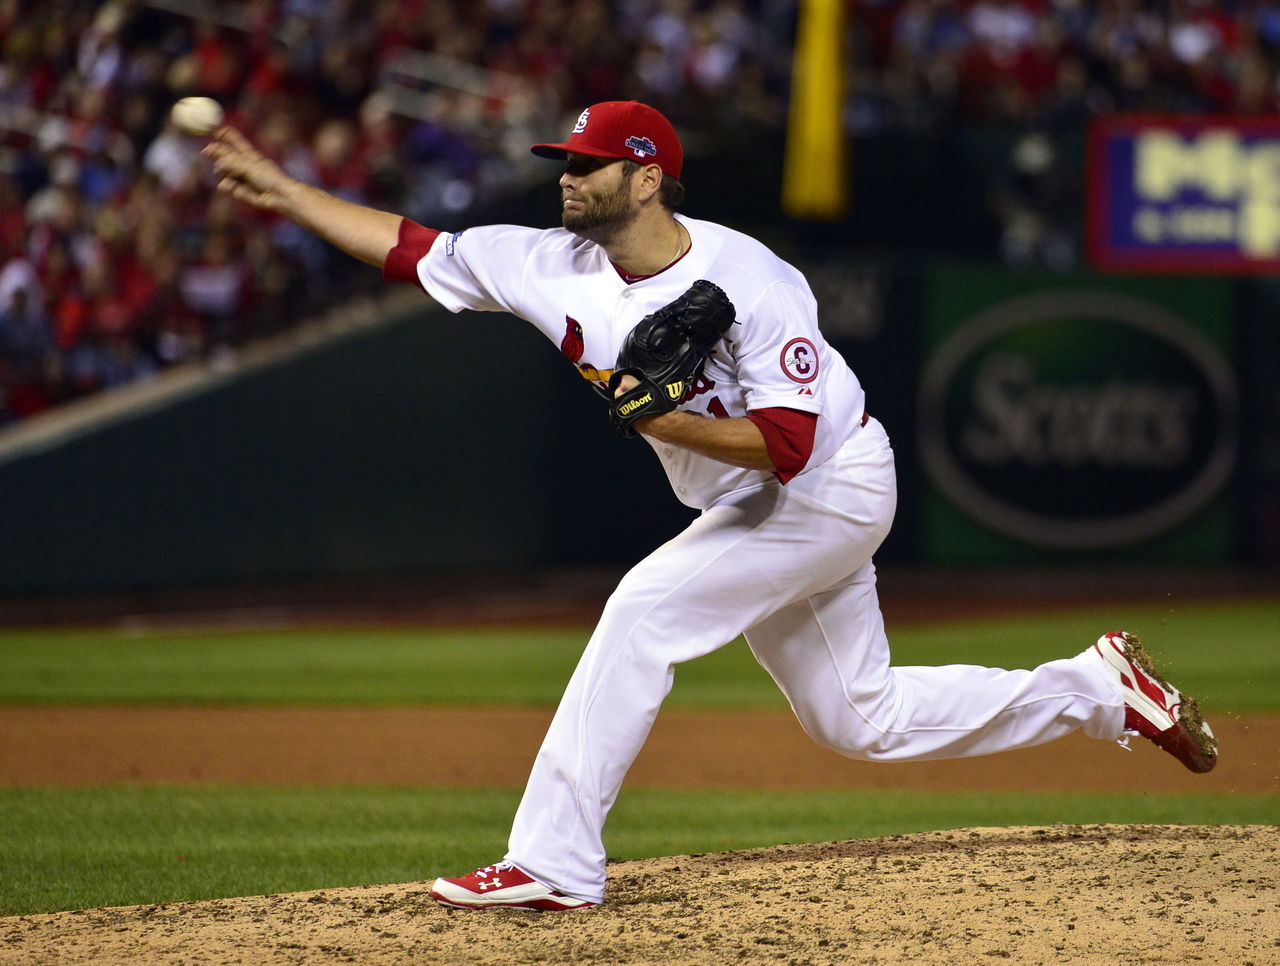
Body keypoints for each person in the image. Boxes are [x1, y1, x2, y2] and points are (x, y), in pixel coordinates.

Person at [202, 100, 1218, 912]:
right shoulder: (543, 262)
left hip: (827, 486)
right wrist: (286, 191)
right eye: (565, 159)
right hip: (753, 504)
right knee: (859, 720)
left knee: (643, 611)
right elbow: (410, 247)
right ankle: (1094, 689)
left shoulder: (747, 276)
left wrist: (658, 419)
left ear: (646, 177)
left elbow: (788, 446)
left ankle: (552, 861)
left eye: (589, 162)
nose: (568, 175)